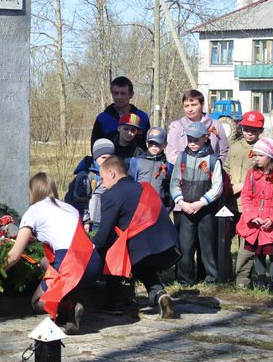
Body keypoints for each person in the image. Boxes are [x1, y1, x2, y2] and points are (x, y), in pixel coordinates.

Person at [7, 172, 103, 334]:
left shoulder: (33, 211)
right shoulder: (70, 208)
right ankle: (67, 300)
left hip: (70, 265)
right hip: (94, 262)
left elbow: (15, 255)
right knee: (44, 262)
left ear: (33, 192)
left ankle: (69, 307)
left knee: (37, 302)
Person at [92, 156, 179, 318]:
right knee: (139, 260)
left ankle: (114, 302)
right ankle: (159, 294)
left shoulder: (111, 195)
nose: (103, 184)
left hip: (143, 248)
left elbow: (103, 237)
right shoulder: (143, 187)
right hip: (168, 245)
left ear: (112, 173)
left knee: (110, 250)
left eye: (103, 178)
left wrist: (86, 247)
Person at [170, 121, 224, 286]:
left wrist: (201, 202)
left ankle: (211, 278)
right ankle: (184, 279)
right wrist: (182, 202)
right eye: (189, 139)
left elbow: (217, 186)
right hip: (186, 208)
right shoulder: (182, 157)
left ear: (205, 138)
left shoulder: (213, 160)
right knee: (185, 246)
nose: (192, 143)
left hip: (206, 210)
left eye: (196, 140)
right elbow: (174, 182)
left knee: (207, 246)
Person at [235, 138, 273, 291]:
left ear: (270, 156)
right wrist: (252, 216)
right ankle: (261, 279)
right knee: (259, 253)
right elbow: (246, 196)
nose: (256, 158)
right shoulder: (251, 174)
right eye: (255, 155)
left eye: (260, 155)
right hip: (256, 222)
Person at [228, 111, 265, 288]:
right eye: (246, 128)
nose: (249, 132)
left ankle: (244, 279)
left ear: (261, 130)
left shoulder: (263, 149)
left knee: (247, 244)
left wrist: (242, 185)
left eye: (254, 130)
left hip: (250, 205)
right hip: (231, 202)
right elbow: (226, 168)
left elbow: (265, 175)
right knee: (226, 240)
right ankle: (225, 273)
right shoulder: (234, 147)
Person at [166, 89, 229, 167]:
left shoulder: (216, 125)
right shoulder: (177, 126)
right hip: (184, 172)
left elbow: (224, 151)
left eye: (194, 105)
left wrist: (215, 167)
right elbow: (171, 153)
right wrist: (191, 167)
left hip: (210, 172)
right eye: (186, 106)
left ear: (202, 105)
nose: (190, 109)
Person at [90, 76, 151, 152]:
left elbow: (148, 147)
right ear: (112, 94)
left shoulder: (142, 117)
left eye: (123, 93)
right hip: (110, 162)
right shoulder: (103, 119)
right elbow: (95, 148)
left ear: (131, 95)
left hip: (137, 162)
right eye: (116, 93)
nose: (119, 97)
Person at [65, 138, 114, 232]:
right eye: (103, 158)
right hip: (90, 223)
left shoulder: (112, 173)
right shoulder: (87, 176)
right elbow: (79, 201)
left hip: (104, 221)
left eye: (110, 158)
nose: (107, 161)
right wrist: (85, 221)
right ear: (95, 157)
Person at [128, 126, 173, 207]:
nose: (154, 146)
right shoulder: (136, 161)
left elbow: (170, 190)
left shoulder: (168, 166)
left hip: (158, 208)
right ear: (146, 144)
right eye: (151, 143)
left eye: (158, 143)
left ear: (165, 145)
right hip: (138, 206)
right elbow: (129, 184)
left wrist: (167, 209)